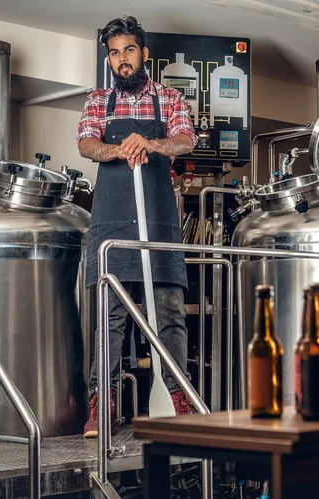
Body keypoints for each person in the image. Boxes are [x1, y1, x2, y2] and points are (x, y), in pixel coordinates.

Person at [77, 15, 197, 438]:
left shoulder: (169, 99)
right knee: (109, 319)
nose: (122, 60)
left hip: (158, 225)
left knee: (169, 316)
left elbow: (186, 139)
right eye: (114, 53)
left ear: (144, 54)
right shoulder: (98, 100)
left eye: (129, 50)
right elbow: (86, 144)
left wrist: (150, 143)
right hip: (112, 225)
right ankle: (102, 404)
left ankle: (177, 395)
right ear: (109, 59)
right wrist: (118, 148)